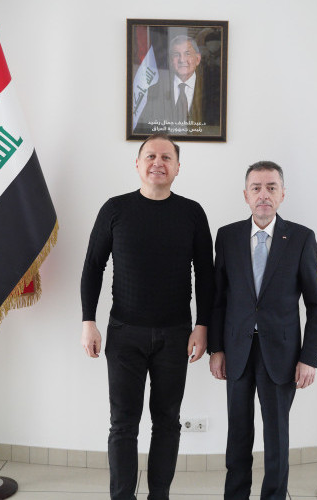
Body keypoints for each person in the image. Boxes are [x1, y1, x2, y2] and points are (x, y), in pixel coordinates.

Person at [81, 133, 214, 500]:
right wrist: (88, 321)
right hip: (124, 333)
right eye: (151, 156)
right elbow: (93, 266)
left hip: (176, 335)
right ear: (137, 164)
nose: (158, 162)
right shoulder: (115, 209)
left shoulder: (192, 213)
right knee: (123, 424)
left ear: (178, 167)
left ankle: (160, 495)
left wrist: (202, 325)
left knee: (167, 422)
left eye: (166, 157)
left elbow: (206, 274)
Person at [208, 161, 317, 500]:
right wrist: (217, 349)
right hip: (237, 351)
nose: (264, 195)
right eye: (257, 188)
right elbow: (218, 299)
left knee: (276, 437)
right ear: (246, 195)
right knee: (238, 435)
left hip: (282, 354)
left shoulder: (301, 238)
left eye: (271, 187)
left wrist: (310, 358)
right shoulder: (228, 236)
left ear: (282, 194)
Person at [135, 35, 220, 134]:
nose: (182, 60)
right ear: (171, 61)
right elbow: (146, 128)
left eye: (187, 54)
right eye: (176, 54)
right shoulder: (154, 90)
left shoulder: (214, 90)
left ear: (197, 59)